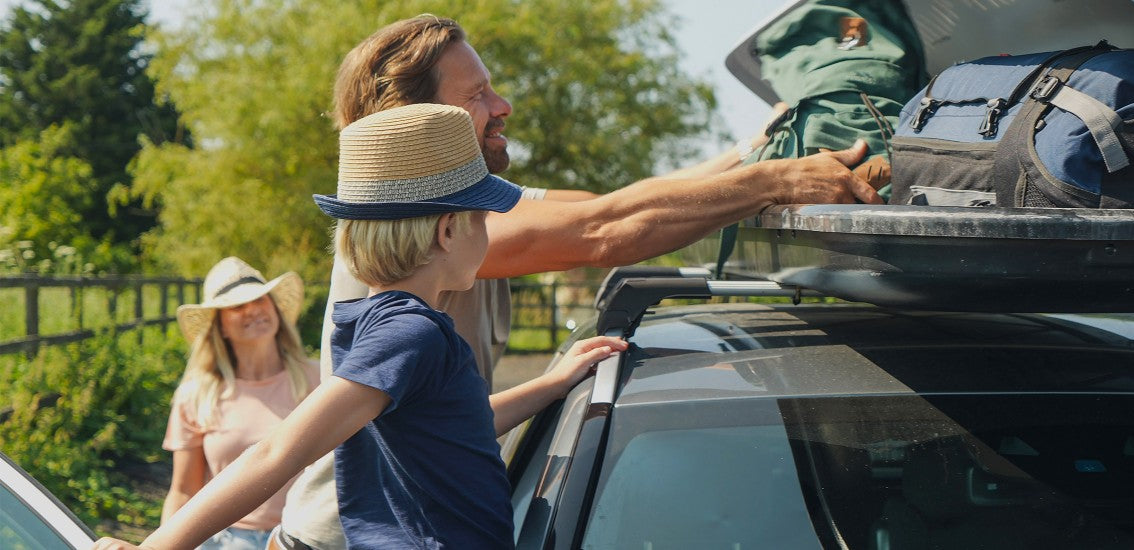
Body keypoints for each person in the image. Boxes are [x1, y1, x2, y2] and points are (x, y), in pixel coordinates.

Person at [278, 14, 885, 550]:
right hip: (346, 538)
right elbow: (604, 231)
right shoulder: (424, 230)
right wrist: (774, 182)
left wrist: (752, 154)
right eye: (478, 94)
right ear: (421, 124)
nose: (502, 105)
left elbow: (612, 205)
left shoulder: (466, 213)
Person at [93, 103, 626, 550]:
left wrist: (552, 384)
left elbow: (452, 427)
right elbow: (279, 452)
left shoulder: (374, 326)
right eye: (484, 218)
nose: (489, 233)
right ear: (447, 229)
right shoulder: (411, 334)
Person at [161, 257, 320, 549]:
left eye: (261, 300)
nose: (253, 310)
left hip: (305, 538)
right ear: (220, 326)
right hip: (227, 541)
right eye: (237, 306)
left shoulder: (321, 379)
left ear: (275, 309)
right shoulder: (197, 395)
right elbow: (184, 490)